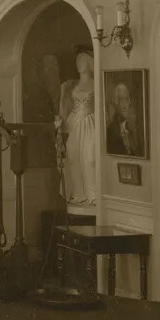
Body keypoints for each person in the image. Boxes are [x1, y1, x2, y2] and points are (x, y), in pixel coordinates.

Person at [57, 48, 97, 207]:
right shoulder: (70, 85)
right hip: (73, 123)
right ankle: (78, 194)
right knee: (73, 158)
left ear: (90, 62)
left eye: (83, 60)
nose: (79, 63)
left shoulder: (97, 83)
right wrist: (60, 125)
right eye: (77, 61)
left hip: (90, 124)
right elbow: (64, 107)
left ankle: (92, 195)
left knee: (89, 158)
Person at [105, 81, 143, 157]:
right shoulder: (110, 131)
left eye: (126, 99)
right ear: (115, 103)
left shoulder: (131, 132)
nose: (124, 105)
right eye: (120, 100)